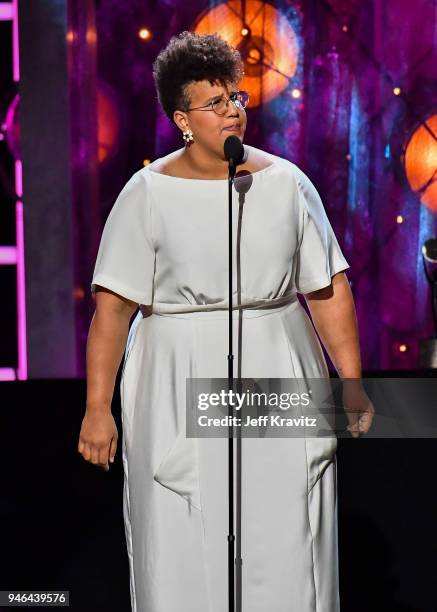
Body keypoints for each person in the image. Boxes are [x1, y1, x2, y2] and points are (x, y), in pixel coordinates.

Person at [78, 31, 373, 612]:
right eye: (214, 102)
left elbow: (328, 287)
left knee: (283, 524)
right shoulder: (147, 193)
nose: (232, 108)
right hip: (176, 373)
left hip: (276, 359)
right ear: (182, 118)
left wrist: (353, 380)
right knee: (188, 519)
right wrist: (97, 408)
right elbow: (112, 309)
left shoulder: (286, 183)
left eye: (235, 96)